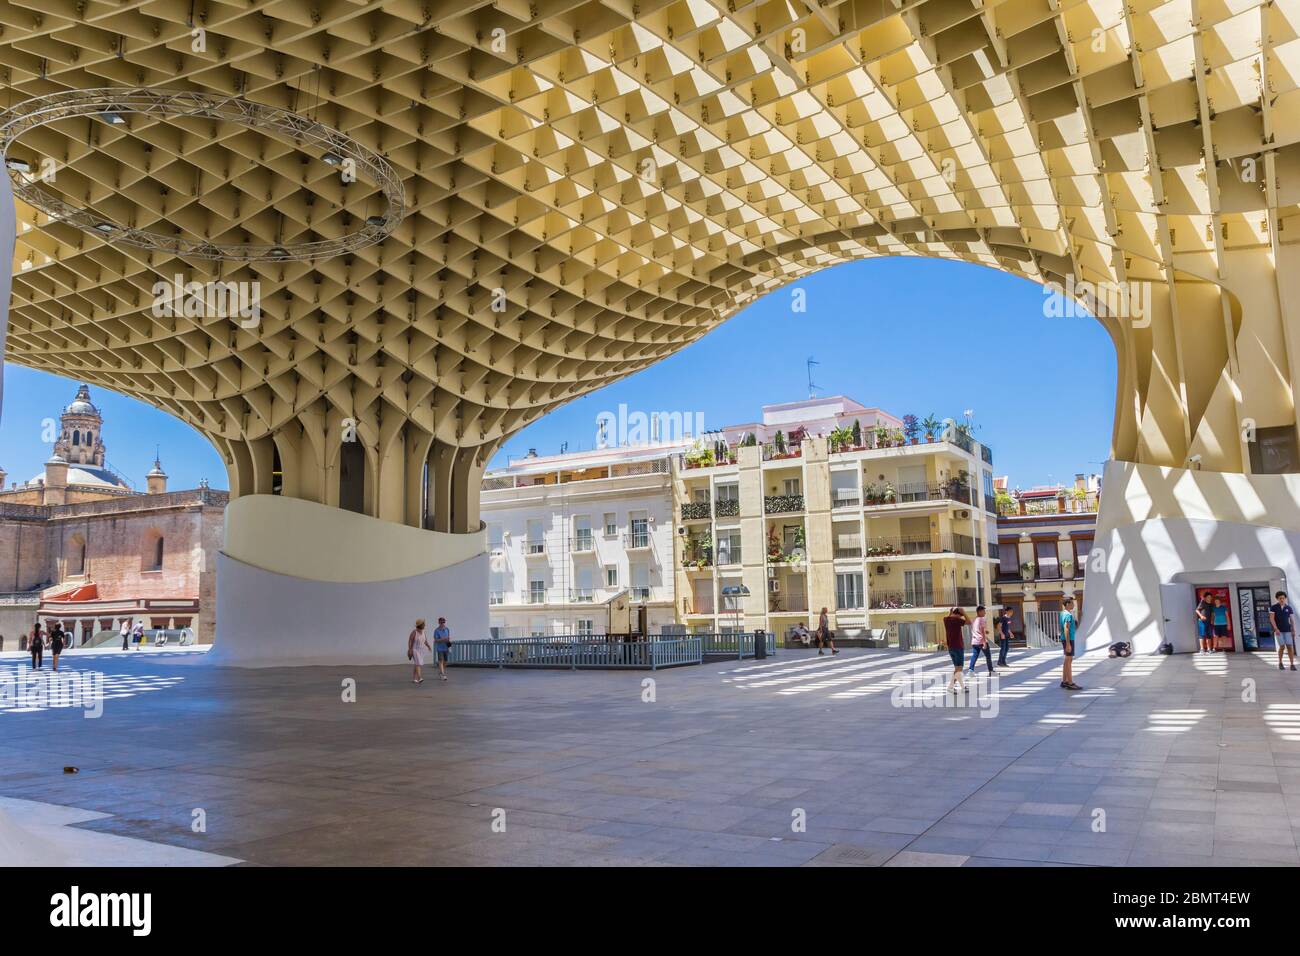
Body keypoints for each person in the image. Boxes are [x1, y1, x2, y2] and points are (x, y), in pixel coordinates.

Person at [942, 607, 968, 694]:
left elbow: (949, 617)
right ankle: (950, 687)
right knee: (959, 668)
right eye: (960, 616)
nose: (961, 618)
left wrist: (950, 613)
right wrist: (964, 613)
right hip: (958, 647)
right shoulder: (956, 620)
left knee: (957, 669)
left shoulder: (946, 619)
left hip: (951, 648)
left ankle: (963, 687)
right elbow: (969, 622)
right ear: (958, 615)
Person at [1270, 591, 1295, 671]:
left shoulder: (1288, 608)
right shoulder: (1273, 607)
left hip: (1287, 630)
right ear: (1277, 599)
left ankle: (1292, 664)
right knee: (1282, 646)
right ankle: (1280, 663)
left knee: (1290, 646)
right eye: (1280, 598)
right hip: (1278, 631)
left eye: (1283, 598)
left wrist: (1293, 630)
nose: (1282, 600)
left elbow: (1291, 620)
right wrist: (1276, 629)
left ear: (1285, 598)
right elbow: (1271, 619)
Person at [1059, 597, 1081, 690]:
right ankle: (1070, 683)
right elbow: (1066, 628)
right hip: (1068, 639)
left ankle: (1064, 681)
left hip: (1065, 639)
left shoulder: (1062, 613)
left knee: (1066, 660)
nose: (1073, 605)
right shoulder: (1068, 615)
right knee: (1069, 660)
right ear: (1067, 604)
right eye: (1072, 603)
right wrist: (1068, 644)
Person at [967, 605, 994, 675]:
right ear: (979, 612)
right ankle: (991, 671)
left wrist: (985, 632)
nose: (985, 613)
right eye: (983, 611)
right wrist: (984, 642)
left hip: (974, 641)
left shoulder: (974, 620)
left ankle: (971, 670)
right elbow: (981, 630)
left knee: (974, 656)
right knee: (988, 656)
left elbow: (977, 630)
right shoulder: (982, 619)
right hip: (981, 641)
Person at [408, 619, 431, 684]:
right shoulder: (414, 632)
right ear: (420, 625)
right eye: (423, 624)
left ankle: (414, 678)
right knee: (418, 663)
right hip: (415, 650)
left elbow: (425, 641)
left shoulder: (423, 632)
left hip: (421, 650)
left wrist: (428, 646)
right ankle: (420, 677)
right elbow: (410, 641)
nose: (424, 625)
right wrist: (410, 649)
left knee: (417, 664)